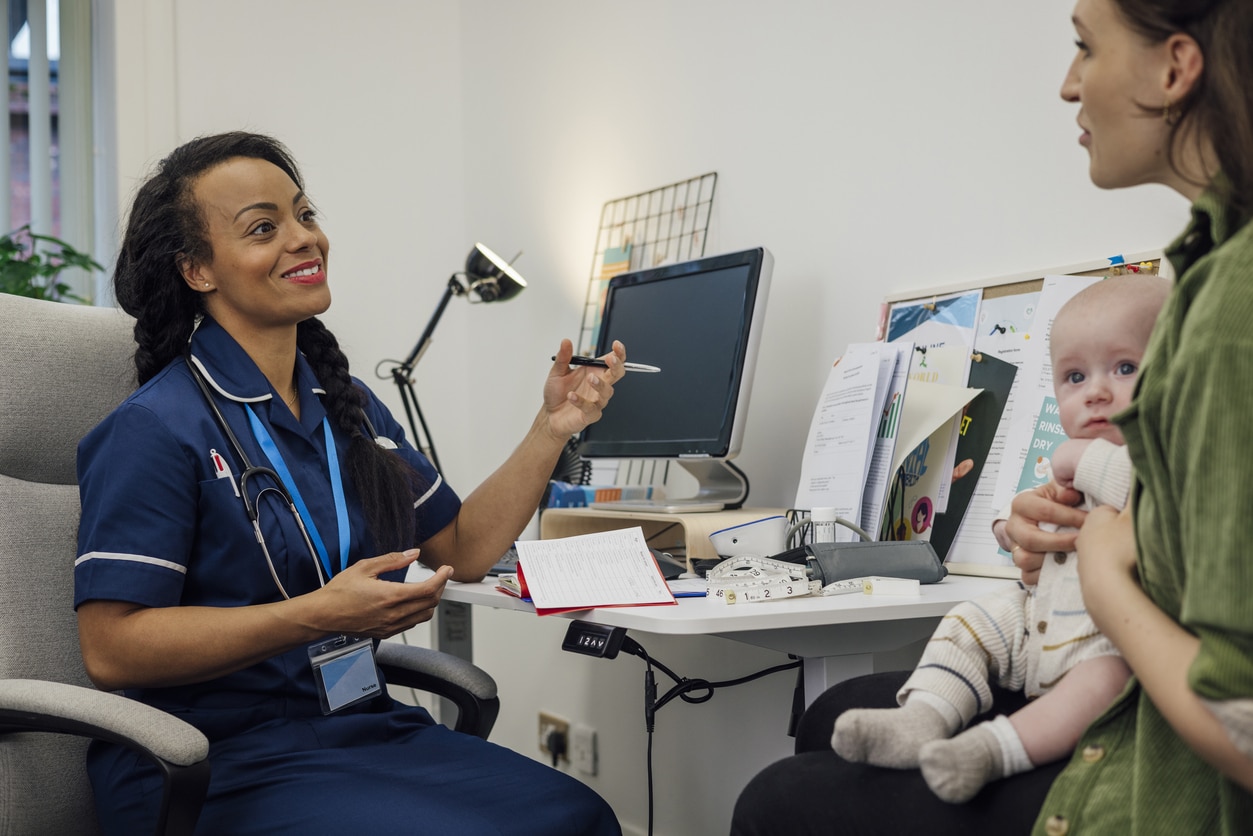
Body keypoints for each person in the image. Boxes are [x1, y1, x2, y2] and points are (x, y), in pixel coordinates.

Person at [732, 1, 1253, 832]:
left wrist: (1105, 577)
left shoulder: (1230, 302)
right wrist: (1063, 530)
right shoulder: (1202, 268)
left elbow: (1241, 721)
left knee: (775, 803)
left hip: (1169, 759)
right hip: (1129, 643)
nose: (1065, 84)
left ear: (1174, 66)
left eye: (1085, 47)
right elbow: (1193, 521)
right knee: (831, 717)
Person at [74, 131, 625, 835]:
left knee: (576, 815)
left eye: (305, 215)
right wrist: (320, 614)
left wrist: (552, 428)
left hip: (357, 723)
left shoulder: (347, 405)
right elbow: (111, 649)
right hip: (211, 757)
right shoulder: (157, 427)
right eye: (264, 228)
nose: (305, 239)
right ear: (197, 270)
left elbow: (465, 545)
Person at [831, 274, 1168, 804]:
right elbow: (1025, 529)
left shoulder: (1165, 458)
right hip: (1036, 618)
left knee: (1103, 682)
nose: (1097, 391)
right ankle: (923, 718)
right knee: (969, 621)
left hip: (1106, 641)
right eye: (1074, 376)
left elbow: (1144, 492)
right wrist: (1013, 526)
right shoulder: (1071, 462)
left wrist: (1081, 459)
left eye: (1125, 367)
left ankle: (990, 751)